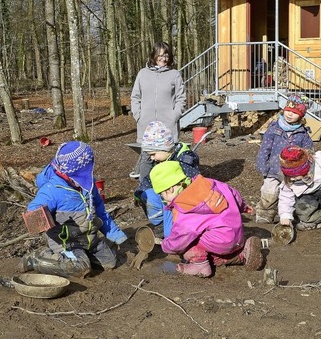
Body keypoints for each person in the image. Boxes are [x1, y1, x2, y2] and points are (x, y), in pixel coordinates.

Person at [20, 141, 127, 278]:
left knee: (110, 262)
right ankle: (37, 259)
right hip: (67, 242)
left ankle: (85, 255)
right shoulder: (52, 190)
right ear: (66, 173)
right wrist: (39, 218)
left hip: (89, 238)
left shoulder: (89, 185)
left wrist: (116, 234)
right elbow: (33, 210)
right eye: (81, 176)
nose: (85, 178)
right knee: (80, 268)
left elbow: (100, 210)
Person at [149, 161, 264, 278]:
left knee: (188, 244)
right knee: (212, 233)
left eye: (161, 195)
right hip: (237, 234)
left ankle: (200, 266)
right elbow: (233, 193)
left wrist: (166, 245)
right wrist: (243, 206)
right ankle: (242, 254)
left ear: (169, 190)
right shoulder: (210, 183)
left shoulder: (185, 211)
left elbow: (179, 239)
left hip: (220, 244)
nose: (163, 199)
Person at [130, 41, 186, 180]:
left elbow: (181, 98)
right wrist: (138, 115)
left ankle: (169, 194)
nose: (163, 58)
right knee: (146, 160)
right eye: (160, 55)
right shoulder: (142, 74)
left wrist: (174, 116)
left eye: (166, 55)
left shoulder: (174, 74)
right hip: (146, 126)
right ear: (153, 55)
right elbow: (135, 96)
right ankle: (144, 193)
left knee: (169, 162)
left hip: (168, 126)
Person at [135, 121, 200, 237]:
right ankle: (160, 223)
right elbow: (150, 178)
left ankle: (180, 237)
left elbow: (194, 181)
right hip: (167, 199)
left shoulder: (185, 158)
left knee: (171, 235)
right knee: (146, 194)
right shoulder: (161, 160)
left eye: (153, 154)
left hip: (184, 202)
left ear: (164, 148)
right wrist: (139, 193)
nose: (152, 158)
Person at [255, 94, 313, 224]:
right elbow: (265, 148)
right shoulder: (274, 129)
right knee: (269, 191)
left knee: (293, 193)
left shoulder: (303, 133)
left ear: (301, 115)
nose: (290, 114)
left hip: (294, 172)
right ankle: (265, 213)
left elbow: (308, 151)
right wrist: (262, 165)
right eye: (288, 110)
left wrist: (307, 167)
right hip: (273, 169)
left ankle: (289, 214)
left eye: (294, 112)